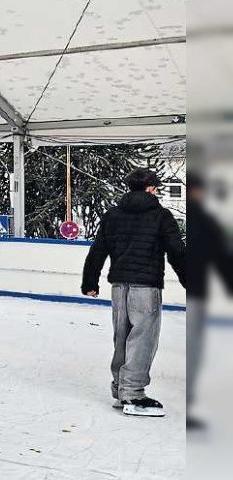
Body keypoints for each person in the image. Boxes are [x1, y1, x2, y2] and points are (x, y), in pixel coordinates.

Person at [82, 167, 186, 417]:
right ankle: (134, 394)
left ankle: (120, 390)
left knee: (122, 337)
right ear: (151, 188)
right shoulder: (161, 216)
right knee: (142, 340)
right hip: (145, 287)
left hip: (119, 287)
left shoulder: (112, 215)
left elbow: (97, 251)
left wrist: (90, 283)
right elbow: (177, 252)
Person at [184, 173, 233, 431]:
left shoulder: (183, 220)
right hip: (197, 290)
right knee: (194, 346)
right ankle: (191, 403)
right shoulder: (206, 220)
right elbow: (222, 257)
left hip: (186, 287)